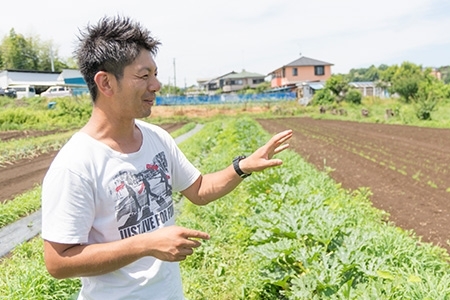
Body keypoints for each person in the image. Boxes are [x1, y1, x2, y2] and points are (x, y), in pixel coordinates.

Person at [41, 15, 293, 300]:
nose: (157, 85)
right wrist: (146, 244)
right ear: (106, 83)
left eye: (155, 74)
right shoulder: (76, 164)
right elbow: (58, 261)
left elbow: (198, 190)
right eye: (143, 75)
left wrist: (241, 167)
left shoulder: (156, 138)